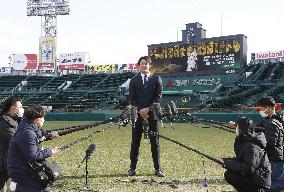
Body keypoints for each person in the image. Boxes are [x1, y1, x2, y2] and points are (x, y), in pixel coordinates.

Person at [7, 104, 60, 192]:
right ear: (37, 119)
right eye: (43, 117)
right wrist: (50, 151)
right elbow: (33, 156)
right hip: (20, 169)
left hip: (26, 167)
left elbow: (40, 135)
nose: (44, 120)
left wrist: (50, 135)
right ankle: (15, 186)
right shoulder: (27, 133)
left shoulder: (29, 126)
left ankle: (17, 187)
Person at [127, 56, 164, 177]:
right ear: (139, 65)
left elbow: (158, 97)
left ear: (150, 65)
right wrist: (140, 110)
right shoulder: (133, 80)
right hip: (137, 116)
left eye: (146, 64)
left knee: (155, 142)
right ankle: (132, 168)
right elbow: (132, 98)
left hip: (152, 115)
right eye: (142, 64)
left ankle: (157, 169)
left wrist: (148, 109)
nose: (144, 65)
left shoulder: (157, 79)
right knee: (135, 142)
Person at [222, 116, 271, 192]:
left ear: (241, 129)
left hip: (260, 181)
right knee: (229, 174)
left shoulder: (252, 146)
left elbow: (248, 168)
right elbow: (241, 159)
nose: (235, 128)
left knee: (230, 175)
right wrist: (224, 161)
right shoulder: (247, 139)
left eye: (237, 126)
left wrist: (226, 164)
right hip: (255, 175)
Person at [0, 97, 24, 192]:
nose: (22, 109)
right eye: (20, 107)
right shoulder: (3, 123)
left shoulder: (16, 120)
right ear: (12, 108)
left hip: (10, 162)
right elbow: (17, 140)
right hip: (3, 164)